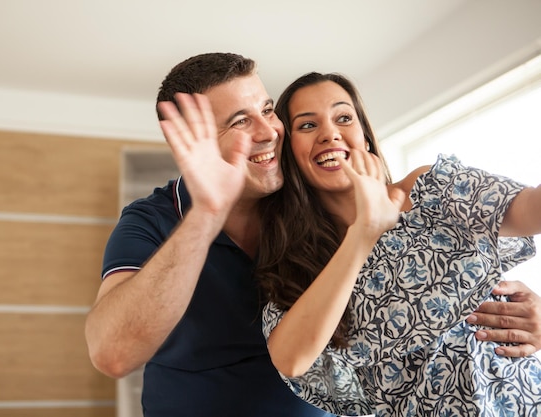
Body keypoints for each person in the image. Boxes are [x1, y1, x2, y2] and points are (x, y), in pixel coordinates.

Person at [84, 53, 541, 416]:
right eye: (241, 121)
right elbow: (114, 355)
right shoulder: (155, 222)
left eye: (267, 111)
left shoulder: (314, 217)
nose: (268, 133)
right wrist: (208, 212)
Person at [256, 71, 541, 416]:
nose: (330, 133)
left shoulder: (429, 190)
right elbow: (290, 359)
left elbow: (530, 209)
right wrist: (365, 230)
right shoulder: (298, 268)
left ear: (365, 137)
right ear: (289, 154)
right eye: (307, 126)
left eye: (343, 117)